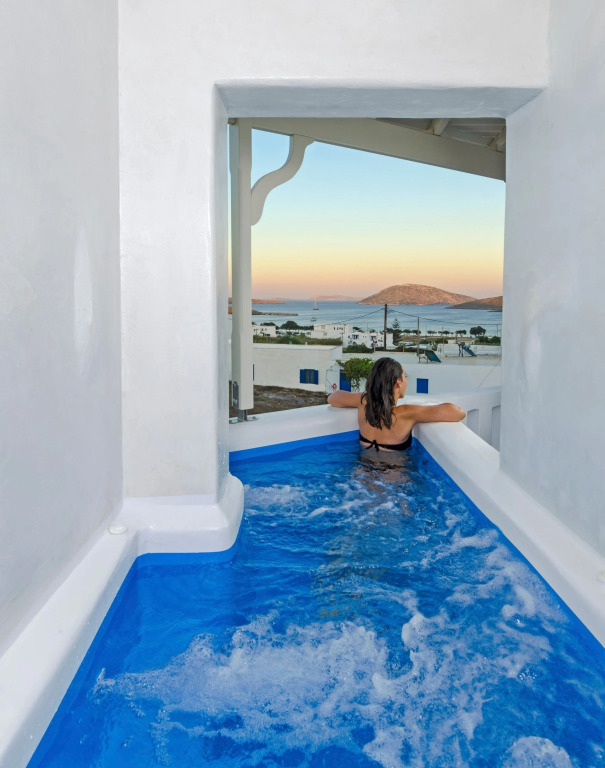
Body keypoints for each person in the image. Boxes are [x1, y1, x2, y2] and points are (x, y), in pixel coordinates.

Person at [327, 357, 465, 452]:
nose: (406, 381)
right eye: (405, 377)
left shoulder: (363, 401)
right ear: (398, 382)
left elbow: (333, 398)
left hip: (362, 471)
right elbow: (458, 412)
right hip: (393, 478)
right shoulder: (407, 413)